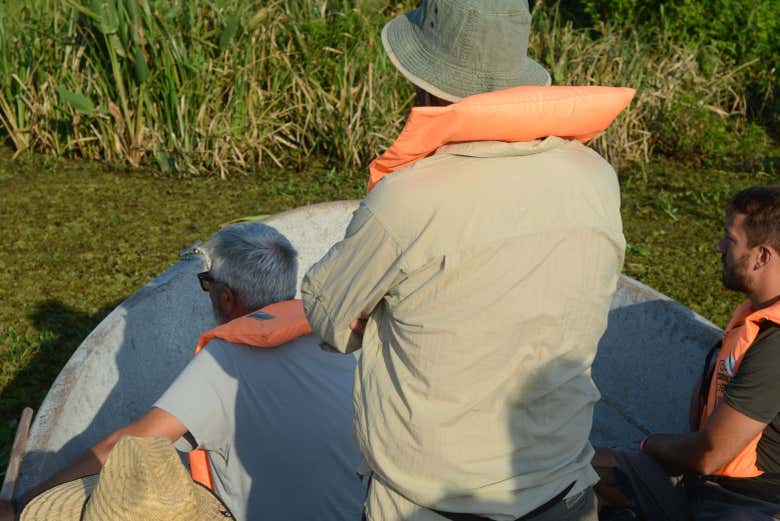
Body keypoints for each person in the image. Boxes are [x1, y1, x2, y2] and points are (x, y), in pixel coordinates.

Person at [301, 1, 627, 520]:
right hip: (562, 492)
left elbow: (326, 313)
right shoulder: (596, 179)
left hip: (429, 507)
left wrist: (372, 314)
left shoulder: (407, 200)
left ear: (426, 85)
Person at [6, 221, 366, 521]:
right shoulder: (334, 340)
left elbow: (127, 444)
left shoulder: (226, 361)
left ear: (226, 297)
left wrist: (27, 505)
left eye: (207, 284)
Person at [597, 186, 780, 521]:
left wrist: (648, 445)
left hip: (749, 503)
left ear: (762, 256)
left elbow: (709, 453)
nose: (718, 247)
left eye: (730, 239)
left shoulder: (775, 347)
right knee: (577, 473)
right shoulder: (754, 317)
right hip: (701, 482)